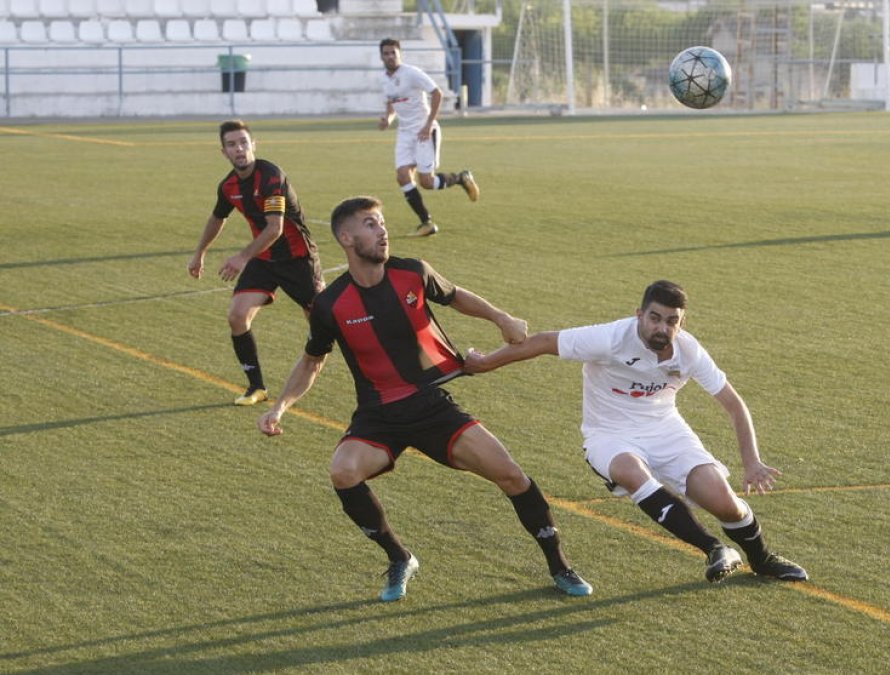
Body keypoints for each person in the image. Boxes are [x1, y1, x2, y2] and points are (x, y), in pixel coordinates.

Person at [256, 195, 592, 601]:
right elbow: (312, 360)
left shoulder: (412, 272)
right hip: (378, 415)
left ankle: (560, 566)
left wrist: (500, 318)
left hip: (430, 406)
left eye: (381, 222)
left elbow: (455, 295)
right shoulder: (330, 305)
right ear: (346, 237)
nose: (381, 230)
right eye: (369, 224)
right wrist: (280, 406)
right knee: (343, 471)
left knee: (511, 475)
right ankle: (400, 557)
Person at [465, 280, 809, 584]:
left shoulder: (689, 351)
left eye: (672, 321)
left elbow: (734, 404)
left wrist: (752, 462)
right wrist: (485, 363)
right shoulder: (610, 338)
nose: (662, 327)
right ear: (639, 315)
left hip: (667, 431)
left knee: (725, 504)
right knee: (631, 473)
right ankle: (714, 548)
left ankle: (762, 559)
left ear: (681, 322)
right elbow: (540, 342)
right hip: (609, 434)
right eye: (655, 317)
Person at [188, 119, 323, 406]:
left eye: (243, 143)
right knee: (237, 315)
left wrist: (241, 257)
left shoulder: (271, 176)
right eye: (232, 144)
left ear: (254, 145)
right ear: (223, 152)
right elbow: (217, 218)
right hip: (264, 259)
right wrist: (200, 252)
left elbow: (275, 228)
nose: (239, 149)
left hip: (298, 259)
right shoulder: (228, 186)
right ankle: (256, 387)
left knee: (325, 326)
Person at [378, 37, 479, 238]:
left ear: (399, 54)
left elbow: (437, 93)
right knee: (402, 176)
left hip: (425, 131)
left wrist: (428, 124)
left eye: (393, 52)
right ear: (381, 56)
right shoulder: (384, 79)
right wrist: (388, 119)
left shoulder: (412, 73)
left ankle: (460, 178)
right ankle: (426, 222)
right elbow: (391, 103)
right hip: (405, 132)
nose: (390, 56)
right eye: (386, 53)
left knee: (427, 182)